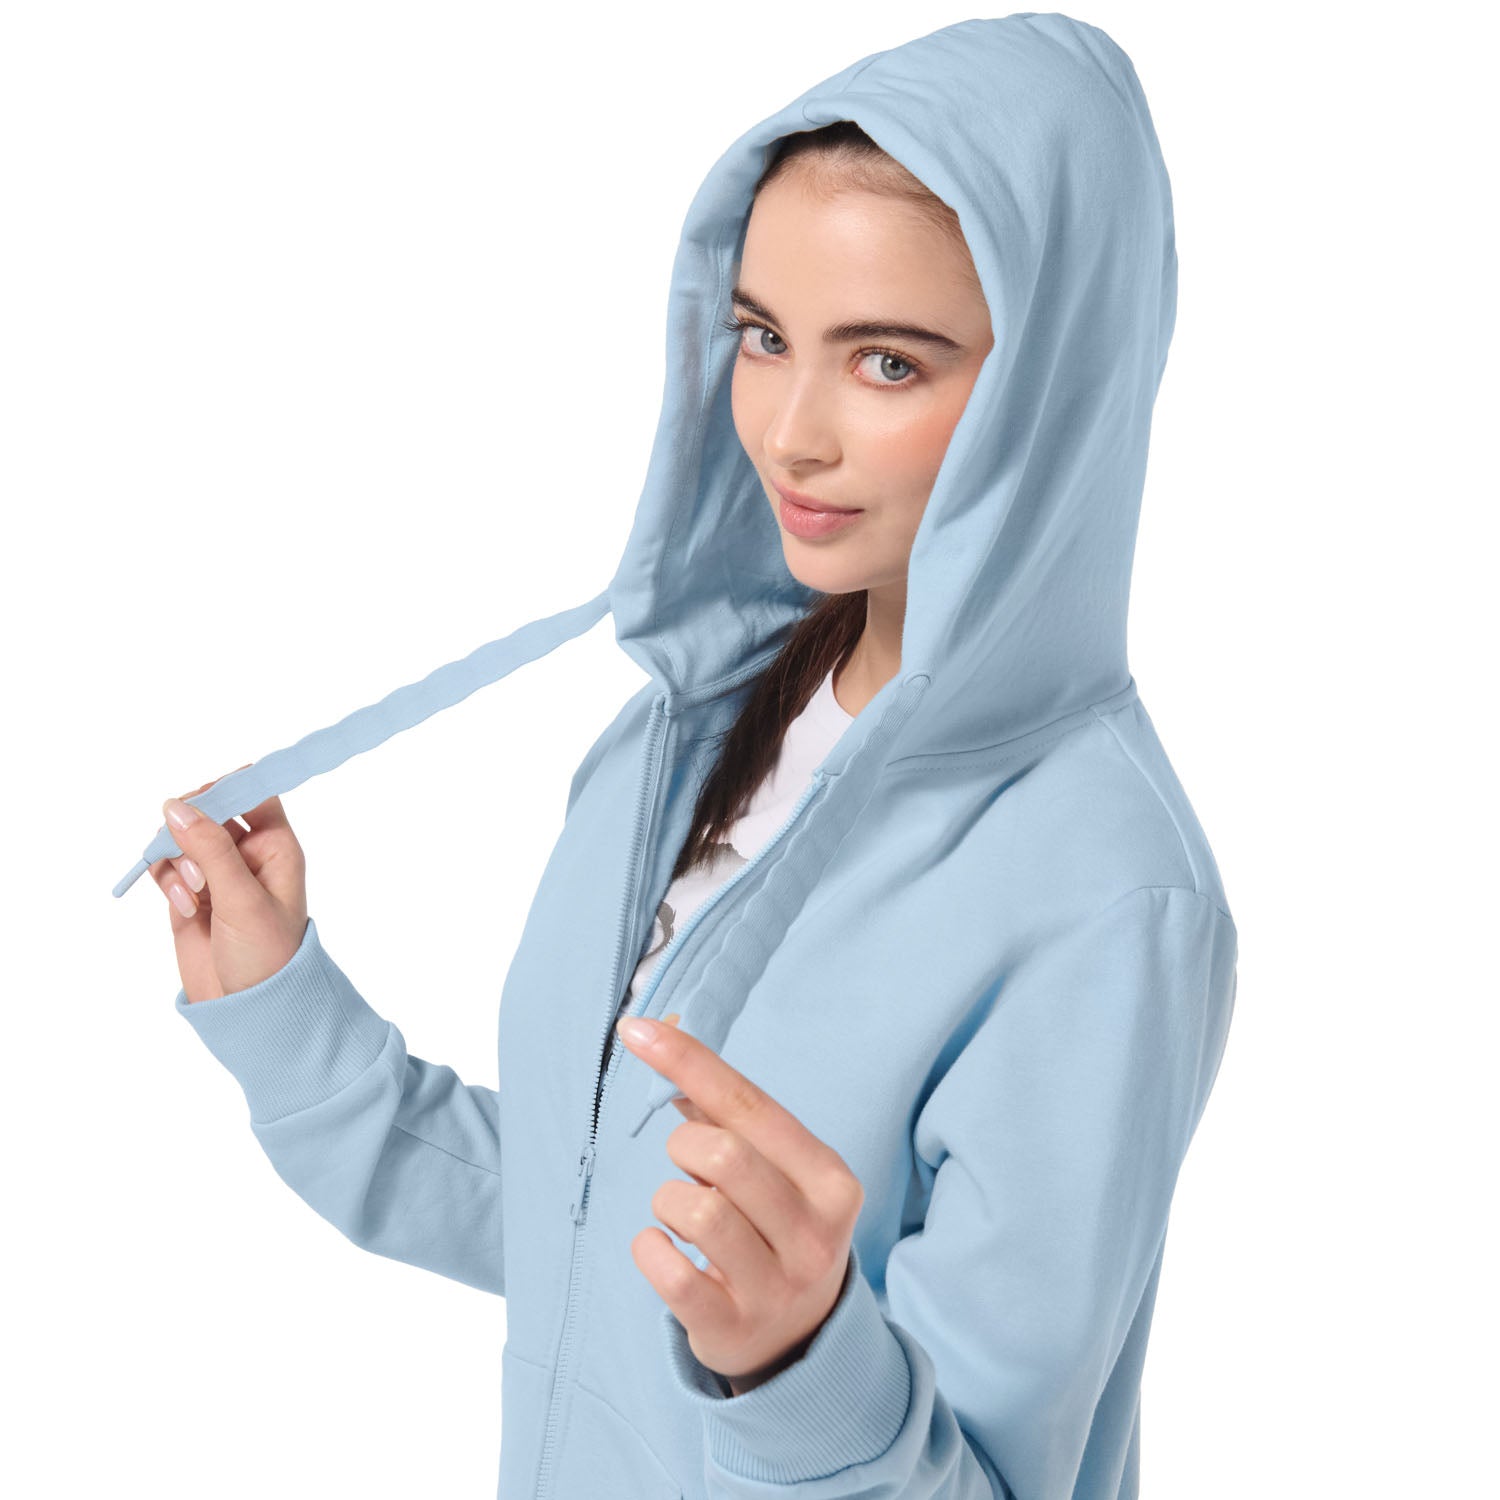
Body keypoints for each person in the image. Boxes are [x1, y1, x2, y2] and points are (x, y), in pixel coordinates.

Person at [124, 14, 1238, 1499]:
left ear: (1055, 387)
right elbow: (586, 1224)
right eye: (764, 337)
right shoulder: (691, 727)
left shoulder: (1108, 894)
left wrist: (799, 1364)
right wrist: (285, 1013)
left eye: (887, 362)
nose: (790, 434)